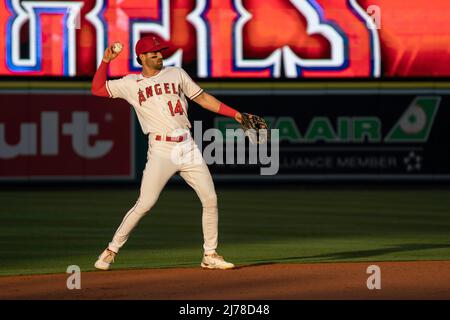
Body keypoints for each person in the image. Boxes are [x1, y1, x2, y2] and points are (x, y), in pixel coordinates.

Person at [91, 36, 242, 270]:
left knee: (210, 199)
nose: (159, 56)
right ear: (141, 57)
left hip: (187, 144)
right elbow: (98, 89)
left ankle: (210, 254)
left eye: (161, 52)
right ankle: (111, 250)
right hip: (161, 148)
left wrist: (236, 115)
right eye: (153, 53)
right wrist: (105, 61)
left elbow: (202, 98)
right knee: (145, 203)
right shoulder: (131, 83)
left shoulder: (176, 73)